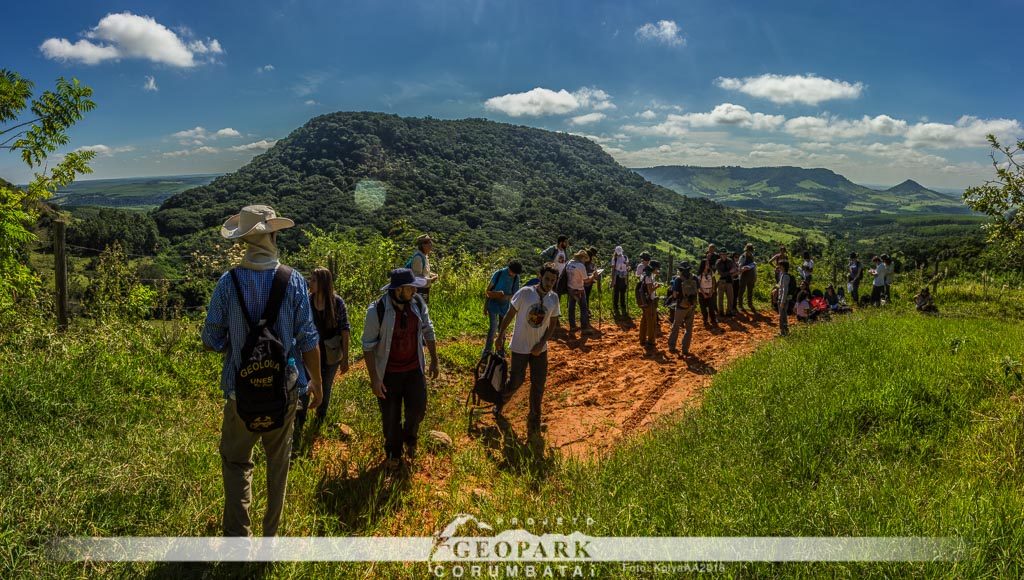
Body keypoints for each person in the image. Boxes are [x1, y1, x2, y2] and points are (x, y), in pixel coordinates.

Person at [201, 205, 322, 537]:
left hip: (240, 394)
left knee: (237, 462)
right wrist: (317, 385)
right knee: (278, 466)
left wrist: (235, 340)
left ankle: (239, 538)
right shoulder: (294, 281)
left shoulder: (228, 283)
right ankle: (270, 537)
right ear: (272, 235)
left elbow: (210, 338)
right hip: (284, 392)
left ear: (245, 240)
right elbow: (309, 338)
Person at [362, 268, 440, 470]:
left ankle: (410, 438)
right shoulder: (377, 310)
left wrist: (434, 360)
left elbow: (428, 330)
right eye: (410, 288)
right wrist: (375, 379)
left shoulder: (417, 304)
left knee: (418, 409)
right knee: (390, 417)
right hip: (388, 373)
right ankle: (393, 452)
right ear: (398, 290)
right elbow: (368, 347)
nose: (415, 291)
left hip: (414, 369)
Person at [494, 263, 561, 453]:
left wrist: (542, 343)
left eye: (553, 281)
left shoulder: (554, 298)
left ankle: (534, 419)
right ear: (540, 277)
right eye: (547, 279)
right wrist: (500, 334)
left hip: (540, 349)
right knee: (517, 380)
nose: (549, 283)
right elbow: (510, 313)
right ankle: (500, 404)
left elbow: (553, 324)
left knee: (538, 384)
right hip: (520, 346)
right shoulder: (524, 293)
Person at [293, 267, 351, 454]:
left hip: (331, 353)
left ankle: (319, 420)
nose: (310, 283)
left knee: (325, 386)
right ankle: (299, 424)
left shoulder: (337, 302)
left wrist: (346, 358)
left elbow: (345, 330)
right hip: (309, 353)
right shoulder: (307, 302)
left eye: (314, 280)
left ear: (323, 283)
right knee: (304, 388)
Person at [482, 259, 523, 358]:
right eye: (512, 272)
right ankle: (487, 351)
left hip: (505, 307)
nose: (513, 275)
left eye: (515, 273)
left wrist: (506, 296)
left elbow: (515, 294)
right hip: (493, 305)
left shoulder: (516, 278)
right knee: (493, 328)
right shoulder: (499, 273)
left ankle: (500, 351)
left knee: (502, 329)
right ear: (509, 269)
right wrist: (486, 305)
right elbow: (488, 291)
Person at [667, 262, 698, 356]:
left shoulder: (678, 279)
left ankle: (672, 346)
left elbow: (675, 294)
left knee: (675, 326)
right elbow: (698, 290)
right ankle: (685, 349)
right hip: (691, 306)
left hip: (681, 306)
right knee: (689, 328)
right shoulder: (695, 278)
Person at [565, 250, 598, 334]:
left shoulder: (569, 263)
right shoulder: (580, 266)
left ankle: (572, 326)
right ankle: (584, 327)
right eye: (585, 259)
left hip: (571, 288)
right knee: (583, 308)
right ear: (582, 257)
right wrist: (593, 276)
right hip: (579, 289)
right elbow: (586, 280)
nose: (585, 261)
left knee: (571, 308)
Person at [407, 234, 439, 304]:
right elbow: (416, 278)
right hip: (418, 290)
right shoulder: (418, 258)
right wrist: (431, 280)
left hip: (424, 288)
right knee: (419, 309)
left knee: (423, 308)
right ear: (421, 245)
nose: (430, 244)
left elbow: (424, 272)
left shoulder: (424, 256)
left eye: (430, 242)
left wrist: (432, 274)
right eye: (426, 242)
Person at [639, 260, 661, 353]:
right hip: (649, 302)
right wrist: (657, 286)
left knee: (644, 320)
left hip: (645, 301)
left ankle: (642, 339)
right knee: (651, 322)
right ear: (654, 268)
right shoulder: (649, 276)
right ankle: (651, 341)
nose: (658, 270)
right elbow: (650, 290)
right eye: (657, 269)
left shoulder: (645, 274)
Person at [697, 248, 718, 327]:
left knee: (711, 307)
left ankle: (713, 319)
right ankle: (705, 319)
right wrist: (704, 294)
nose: (708, 265)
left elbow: (713, 282)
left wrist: (711, 291)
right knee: (703, 309)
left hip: (710, 292)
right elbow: (698, 285)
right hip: (702, 293)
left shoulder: (711, 272)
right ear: (703, 265)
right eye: (707, 264)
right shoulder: (700, 274)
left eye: (708, 263)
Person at [715, 248, 737, 317]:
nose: (724, 255)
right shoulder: (718, 262)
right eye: (722, 254)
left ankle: (729, 312)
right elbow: (721, 274)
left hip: (729, 281)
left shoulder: (730, 261)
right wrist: (730, 272)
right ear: (720, 255)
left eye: (725, 254)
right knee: (720, 298)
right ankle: (721, 312)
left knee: (731, 297)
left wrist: (728, 273)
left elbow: (734, 269)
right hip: (721, 281)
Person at [610, 246, 630, 317]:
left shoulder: (625, 257)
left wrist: (627, 266)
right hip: (617, 278)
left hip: (623, 277)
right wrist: (612, 280)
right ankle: (616, 307)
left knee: (622, 293)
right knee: (616, 293)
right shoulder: (614, 259)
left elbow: (627, 267)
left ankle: (622, 306)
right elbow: (613, 270)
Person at [777, 260, 795, 336]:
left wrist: (782, 301)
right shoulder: (783, 275)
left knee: (782, 316)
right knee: (783, 315)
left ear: (783, 267)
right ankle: (784, 331)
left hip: (783, 299)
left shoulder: (785, 276)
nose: (779, 267)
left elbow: (785, 290)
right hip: (782, 298)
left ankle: (783, 332)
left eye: (780, 265)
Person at [738, 244, 757, 312]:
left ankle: (750, 304)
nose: (749, 252)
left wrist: (755, 276)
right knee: (741, 291)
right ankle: (740, 305)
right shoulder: (742, 257)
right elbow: (739, 266)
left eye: (750, 251)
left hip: (751, 276)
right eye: (748, 251)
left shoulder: (752, 256)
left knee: (750, 291)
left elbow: (754, 267)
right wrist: (743, 268)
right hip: (744, 276)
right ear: (746, 250)